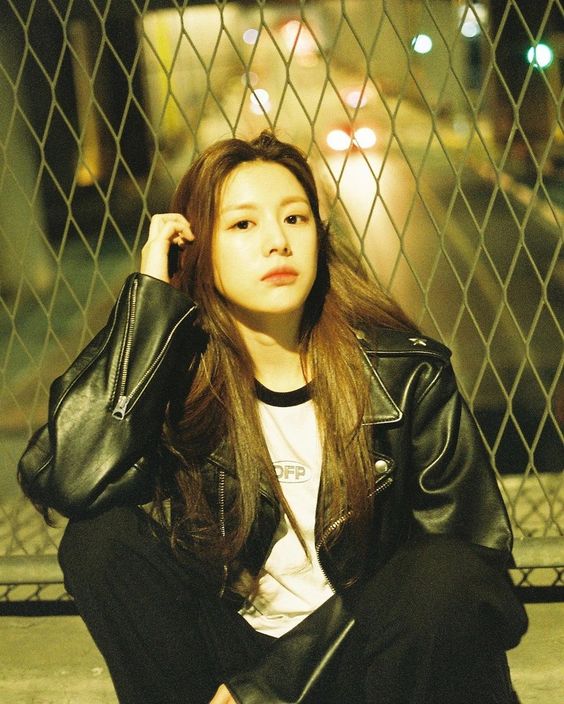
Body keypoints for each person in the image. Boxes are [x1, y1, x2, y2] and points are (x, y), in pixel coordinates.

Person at [18, 131, 527, 704]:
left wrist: (266, 690)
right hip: (235, 653)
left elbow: (472, 569)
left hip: (376, 656)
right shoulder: (177, 376)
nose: (277, 242)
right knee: (99, 542)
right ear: (197, 248)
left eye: (295, 218)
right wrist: (150, 309)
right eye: (243, 224)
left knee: (443, 573)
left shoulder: (406, 376)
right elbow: (70, 480)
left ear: (318, 237)